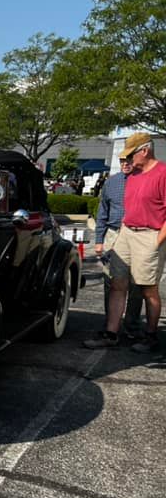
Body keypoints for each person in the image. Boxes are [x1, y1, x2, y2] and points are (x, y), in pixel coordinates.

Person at [85, 133, 166, 352]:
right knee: (117, 283)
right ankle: (111, 333)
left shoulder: (162, 173)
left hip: (150, 234)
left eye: (131, 155)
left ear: (145, 151)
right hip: (126, 232)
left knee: (148, 289)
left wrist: (156, 242)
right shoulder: (132, 176)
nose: (127, 160)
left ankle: (150, 336)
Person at [93, 155, 144, 337]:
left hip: (139, 233)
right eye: (122, 160)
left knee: (137, 283)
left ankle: (132, 325)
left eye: (129, 161)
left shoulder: (144, 181)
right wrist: (99, 240)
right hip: (113, 234)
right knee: (110, 280)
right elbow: (102, 213)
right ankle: (110, 324)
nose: (125, 164)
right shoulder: (111, 182)